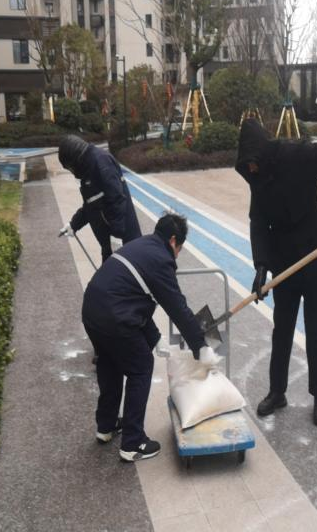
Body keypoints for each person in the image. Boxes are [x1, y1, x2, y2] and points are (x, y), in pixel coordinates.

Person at [235, 118, 317, 426]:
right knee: (282, 328)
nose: (251, 169)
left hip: (314, 256)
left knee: (315, 328)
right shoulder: (258, 178)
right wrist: (261, 266)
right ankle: (277, 391)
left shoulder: (296, 154)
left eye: (253, 162)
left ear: (263, 152)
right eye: (247, 166)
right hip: (284, 263)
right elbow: (258, 223)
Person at [81, 213, 220, 461]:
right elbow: (177, 307)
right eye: (180, 248)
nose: (177, 254)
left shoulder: (141, 245)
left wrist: (155, 338)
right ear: (174, 241)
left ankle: (106, 425)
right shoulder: (161, 260)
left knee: (109, 363)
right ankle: (132, 443)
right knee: (141, 367)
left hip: (92, 310)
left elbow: (136, 298)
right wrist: (201, 346)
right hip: (114, 316)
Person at [58, 134, 141, 262]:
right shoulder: (87, 168)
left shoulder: (101, 163)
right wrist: (74, 224)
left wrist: (117, 235)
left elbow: (116, 199)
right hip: (109, 243)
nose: (72, 172)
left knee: (121, 273)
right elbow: (91, 205)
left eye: (70, 168)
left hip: (124, 242)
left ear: (75, 159)